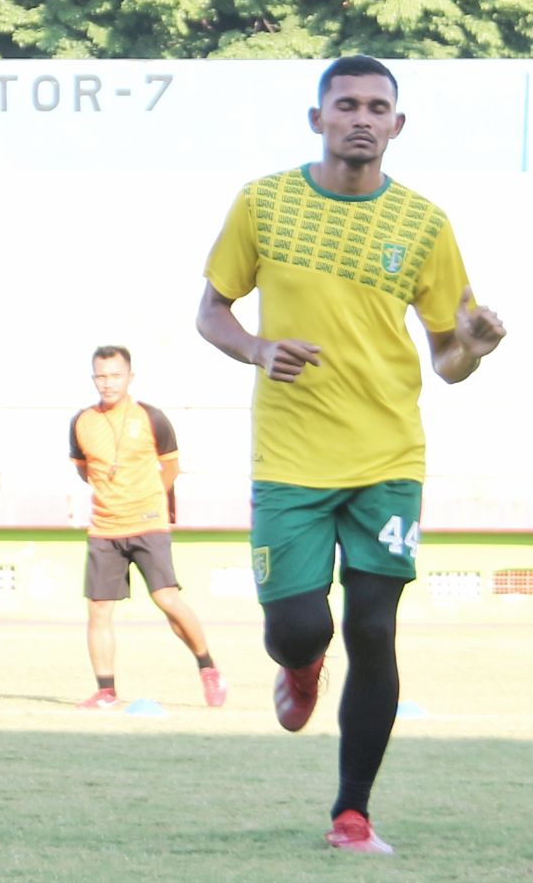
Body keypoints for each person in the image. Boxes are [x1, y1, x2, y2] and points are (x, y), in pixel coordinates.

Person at [196, 55, 505, 855]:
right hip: (290, 456)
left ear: (396, 126)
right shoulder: (263, 203)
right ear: (318, 118)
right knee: (300, 626)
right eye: (346, 104)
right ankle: (300, 666)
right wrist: (258, 350)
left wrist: (474, 347)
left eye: (378, 106)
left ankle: (351, 813)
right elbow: (212, 312)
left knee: (373, 624)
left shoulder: (425, 224)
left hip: (387, 457)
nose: (361, 117)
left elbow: (448, 357)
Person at [68, 345, 228, 711]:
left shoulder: (152, 418)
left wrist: (148, 499)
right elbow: (84, 470)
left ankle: (209, 668)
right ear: (94, 378)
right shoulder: (82, 422)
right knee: (98, 609)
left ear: (130, 377)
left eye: (115, 375)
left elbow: (170, 468)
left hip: (148, 524)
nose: (107, 383)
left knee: (167, 599)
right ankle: (106, 692)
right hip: (104, 528)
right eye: (101, 376)